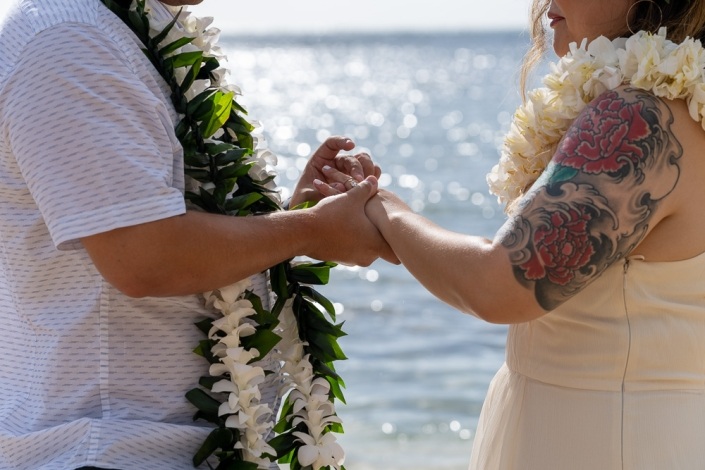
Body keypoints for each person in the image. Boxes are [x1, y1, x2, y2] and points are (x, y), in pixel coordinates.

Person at [0, 0, 395, 469]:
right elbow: (143, 257)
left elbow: (165, 233)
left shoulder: (143, 31)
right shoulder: (68, 37)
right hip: (113, 449)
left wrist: (293, 215)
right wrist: (308, 232)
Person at [319, 0, 705, 468]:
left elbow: (501, 283)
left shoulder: (638, 117)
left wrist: (378, 205)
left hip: (611, 440)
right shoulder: (688, 107)